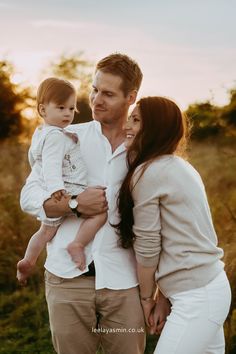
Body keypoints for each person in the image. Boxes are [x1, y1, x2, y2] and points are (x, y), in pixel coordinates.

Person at [20, 54, 150, 354]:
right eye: (94, 90)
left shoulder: (143, 150)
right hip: (67, 280)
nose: (95, 99)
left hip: (124, 283)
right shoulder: (66, 137)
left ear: (131, 97)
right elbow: (29, 198)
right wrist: (75, 204)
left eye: (108, 93)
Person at [115, 96, 232, 354]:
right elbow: (179, 241)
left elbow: (148, 247)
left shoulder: (148, 173)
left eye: (136, 120)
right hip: (206, 287)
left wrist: (147, 299)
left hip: (197, 296)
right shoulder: (180, 166)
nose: (127, 125)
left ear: (154, 128)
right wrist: (165, 296)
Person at [17, 77, 107, 285]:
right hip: (66, 188)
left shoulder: (44, 133)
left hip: (60, 189)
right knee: (100, 211)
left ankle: (29, 260)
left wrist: (68, 136)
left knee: (45, 231)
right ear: (42, 110)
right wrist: (56, 188)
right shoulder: (56, 137)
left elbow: (37, 160)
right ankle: (78, 244)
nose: (67, 113)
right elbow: (50, 165)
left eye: (71, 108)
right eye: (61, 108)